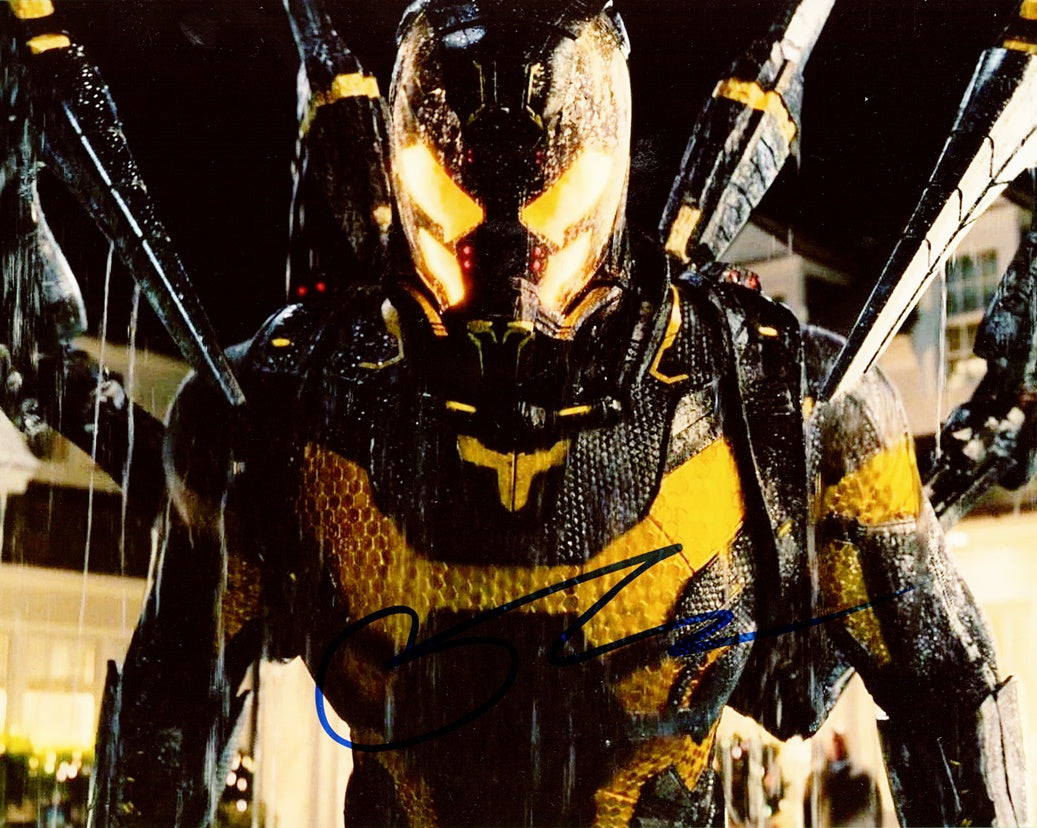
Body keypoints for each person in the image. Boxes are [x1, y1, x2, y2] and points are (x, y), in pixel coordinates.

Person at [92, 0, 1025, 825]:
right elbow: (168, 730)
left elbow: (951, 705)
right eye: (457, 201)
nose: (505, 260)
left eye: (542, 205)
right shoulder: (280, 405)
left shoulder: (780, 402)